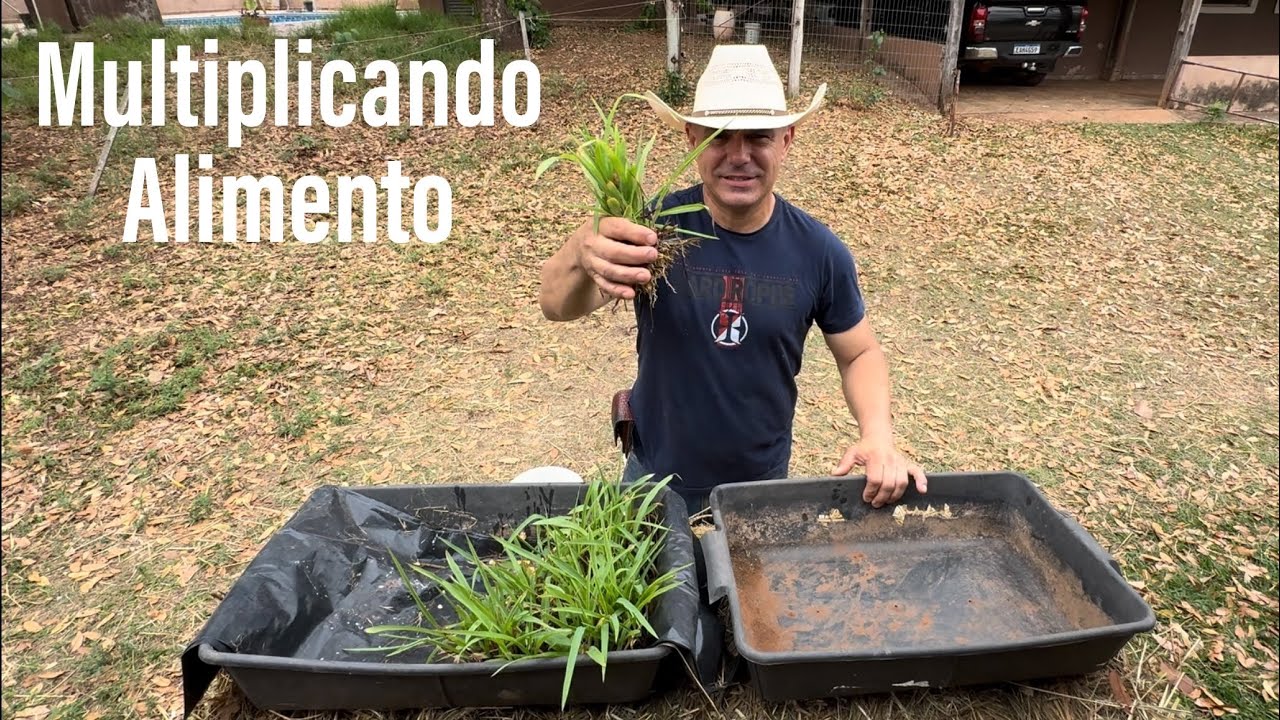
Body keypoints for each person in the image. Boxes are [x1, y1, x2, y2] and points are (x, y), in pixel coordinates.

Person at [537, 44, 927, 513]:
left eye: (758, 136)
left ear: (787, 140)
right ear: (691, 137)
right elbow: (555, 305)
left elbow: (860, 351)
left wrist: (878, 436)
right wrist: (583, 249)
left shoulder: (818, 252)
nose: (738, 155)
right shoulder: (650, 232)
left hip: (759, 488)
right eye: (719, 137)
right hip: (651, 479)